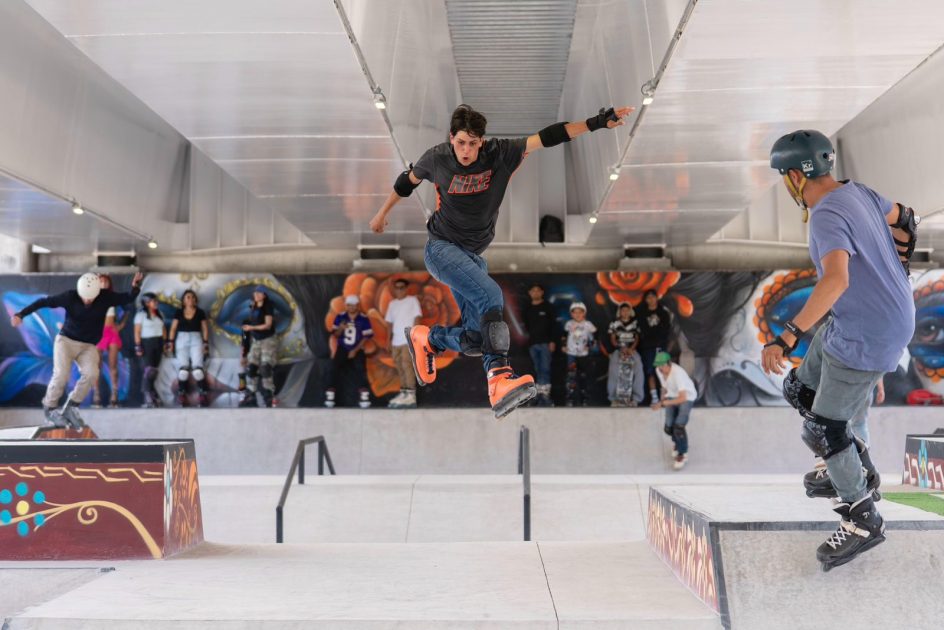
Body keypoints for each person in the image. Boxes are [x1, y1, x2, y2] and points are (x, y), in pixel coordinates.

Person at [369, 103, 633, 418]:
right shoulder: (436, 158)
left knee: (475, 340)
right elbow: (406, 182)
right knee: (492, 295)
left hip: (471, 258)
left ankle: (429, 338)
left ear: (481, 141)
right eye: (460, 142)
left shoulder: (500, 154)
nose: (466, 151)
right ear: (451, 138)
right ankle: (498, 379)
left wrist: (597, 123)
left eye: (472, 143)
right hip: (440, 249)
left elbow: (549, 136)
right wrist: (382, 213)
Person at [763, 129, 918, 570]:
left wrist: (787, 335)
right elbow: (907, 220)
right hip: (862, 319)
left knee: (823, 430)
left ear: (795, 176)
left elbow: (836, 279)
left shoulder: (825, 216)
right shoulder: (859, 192)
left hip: (868, 329)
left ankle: (862, 518)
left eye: (784, 178)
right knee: (800, 390)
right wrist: (895, 272)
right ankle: (855, 464)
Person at [10, 271, 143, 428]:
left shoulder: (105, 296)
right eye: (85, 297)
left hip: (88, 346)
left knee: (92, 373)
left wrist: (135, 287)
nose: (87, 300)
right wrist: (21, 314)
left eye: (91, 298)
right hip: (66, 342)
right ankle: (50, 408)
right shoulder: (70, 296)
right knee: (61, 374)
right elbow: (43, 302)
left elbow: (127, 298)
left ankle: (71, 407)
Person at [325, 295, 373, 409]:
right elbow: (335, 334)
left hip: (357, 348)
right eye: (349, 305)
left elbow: (366, 337)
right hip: (343, 347)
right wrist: (341, 328)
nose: (351, 307)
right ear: (346, 305)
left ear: (358, 306)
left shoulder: (363, 318)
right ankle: (330, 396)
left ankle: (364, 397)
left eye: (353, 305)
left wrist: (355, 350)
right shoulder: (340, 317)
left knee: (361, 370)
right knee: (333, 368)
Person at [651, 351, 697, 470]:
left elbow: (683, 398)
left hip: (687, 397)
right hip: (671, 395)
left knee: (678, 427)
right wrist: (662, 399)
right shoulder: (658, 370)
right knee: (668, 428)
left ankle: (682, 454)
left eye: (662, 365)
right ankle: (679, 442)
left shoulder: (678, 374)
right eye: (658, 366)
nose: (660, 369)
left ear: (668, 363)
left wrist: (664, 403)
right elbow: (664, 387)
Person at [167, 290, 211, 407]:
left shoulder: (200, 312)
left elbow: (205, 328)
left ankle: (202, 395)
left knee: (197, 370)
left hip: (196, 338)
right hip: (181, 339)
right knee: (183, 370)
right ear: (183, 300)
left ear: (195, 300)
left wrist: (205, 343)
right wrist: (170, 342)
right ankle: (181, 395)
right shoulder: (179, 312)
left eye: (192, 297)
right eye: (188, 297)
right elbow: (173, 328)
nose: (190, 299)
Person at [384, 278, 422, 409]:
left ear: (406, 289)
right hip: (396, 341)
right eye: (397, 288)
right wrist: (388, 340)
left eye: (402, 287)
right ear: (394, 289)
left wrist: (414, 337)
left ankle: (411, 395)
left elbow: (417, 318)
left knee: (407, 366)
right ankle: (404, 393)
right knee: (399, 366)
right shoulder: (392, 304)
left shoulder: (412, 300)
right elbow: (389, 323)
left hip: (407, 340)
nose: (399, 290)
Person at [239, 286, 278, 408]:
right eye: (255, 293)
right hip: (256, 341)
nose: (256, 295)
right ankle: (251, 395)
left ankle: (269, 395)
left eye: (259, 293)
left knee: (265, 367)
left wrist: (252, 328)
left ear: (264, 295)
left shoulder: (268, 306)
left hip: (268, 339)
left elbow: (268, 325)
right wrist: (244, 354)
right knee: (251, 368)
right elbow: (245, 337)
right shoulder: (250, 313)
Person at [523, 283, 556, 406]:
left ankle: (545, 394)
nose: (535, 293)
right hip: (533, 344)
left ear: (542, 292)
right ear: (529, 293)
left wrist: (552, 341)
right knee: (536, 369)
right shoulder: (527, 309)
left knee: (545, 369)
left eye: (538, 290)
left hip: (546, 343)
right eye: (533, 290)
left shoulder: (548, 307)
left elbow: (554, 325)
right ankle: (537, 395)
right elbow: (526, 326)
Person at [637, 289, 672, 405]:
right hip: (648, 347)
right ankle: (654, 397)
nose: (651, 299)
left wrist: (660, 340)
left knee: (664, 371)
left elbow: (666, 329)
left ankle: (664, 396)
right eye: (648, 297)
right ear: (645, 300)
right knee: (650, 371)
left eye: (653, 297)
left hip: (661, 345)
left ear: (657, 298)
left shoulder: (663, 312)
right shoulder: (642, 314)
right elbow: (643, 330)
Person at [607, 302, 644, 407]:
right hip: (618, 349)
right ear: (619, 312)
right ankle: (613, 398)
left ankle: (636, 398)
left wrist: (631, 349)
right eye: (623, 310)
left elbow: (637, 338)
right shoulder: (614, 323)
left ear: (630, 311)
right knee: (613, 369)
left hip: (632, 350)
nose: (625, 312)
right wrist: (621, 348)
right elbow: (612, 338)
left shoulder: (635, 323)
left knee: (639, 367)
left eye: (627, 310)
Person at [93, 306, 129, 408]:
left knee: (113, 365)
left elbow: (127, 311)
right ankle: (96, 394)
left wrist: (121, 325)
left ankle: (114, 394)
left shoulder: (113, 301)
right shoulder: (93, 300)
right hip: (99, 332)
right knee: (96, 366)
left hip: (112, 332)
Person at [134, 292, 166, 408]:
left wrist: (166, 342)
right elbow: (137, 331)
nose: (156, 303)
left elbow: (163, 329)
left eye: (156, 301)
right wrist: (138, 345)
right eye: (153, 301)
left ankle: (152, 393)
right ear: (147, 303)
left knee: (155, 371)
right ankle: (147, 395)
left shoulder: (159, 314)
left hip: (158, 342)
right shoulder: (141, 315)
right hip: (146, 342)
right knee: (149, 371)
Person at [563, 302, 597, 407]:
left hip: (584, 354)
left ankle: (585, 399)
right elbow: (563, 336)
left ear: (584, 313)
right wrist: (563, 346)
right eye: (575, 312)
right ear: (571, 314)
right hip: (571, 354)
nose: (577, 314)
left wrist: (589, 346)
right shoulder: (568, 324)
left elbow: (594, 338)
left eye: (580, 312)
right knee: (571, 376)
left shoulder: (588, 325)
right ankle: (570, 399)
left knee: (584, 377)